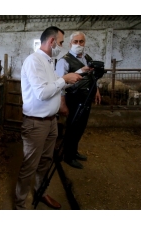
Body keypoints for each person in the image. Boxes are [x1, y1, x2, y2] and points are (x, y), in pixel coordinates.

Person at [14, 26, 82, 210]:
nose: (61, 46)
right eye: (60, 43)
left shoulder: (49, 61)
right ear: (52, 41)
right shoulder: (34, 61)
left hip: (51, 122)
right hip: (36, 123)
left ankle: (40, 192)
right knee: (30, 165)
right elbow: (43, 93)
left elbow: (54, 87)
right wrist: (64, 79)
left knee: (45, 162)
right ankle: (20, 205)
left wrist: (75, 77)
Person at [55, 31, 101, 169]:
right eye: (75, 42)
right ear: (70, 43)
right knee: (72, 127)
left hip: (86, 98)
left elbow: (92, 77)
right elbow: (60, 84)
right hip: (73, 98)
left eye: (81, 42)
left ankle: (74, 152)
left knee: (81, 127)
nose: (79, 44)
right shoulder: (64, 61)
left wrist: (96, 90)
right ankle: (68, 156)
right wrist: (62, 104)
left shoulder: (87, 58)